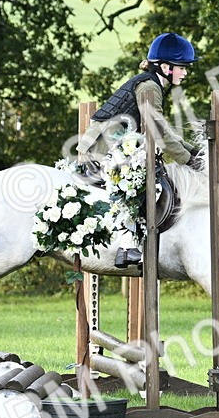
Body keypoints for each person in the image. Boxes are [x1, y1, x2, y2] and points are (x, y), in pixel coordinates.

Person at [76, 32, 202, 268]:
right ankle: (128, 247)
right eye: (182, 67)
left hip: (109, 147)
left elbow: (164, 129)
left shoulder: (151, 84)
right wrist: (187, 161)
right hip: (102, 152)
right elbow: (158, 133)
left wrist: (193, 152)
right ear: (165, 67)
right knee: (147, 183)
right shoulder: (149, 88)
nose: (185, 73)